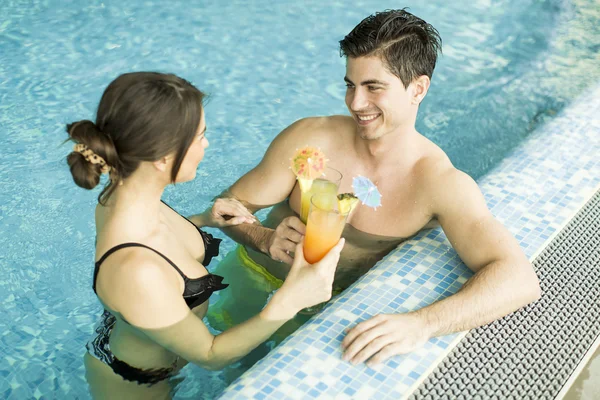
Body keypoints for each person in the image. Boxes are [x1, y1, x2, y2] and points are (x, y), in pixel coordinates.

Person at [206, 9, 541, 367]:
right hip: (251, 276)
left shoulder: (438, 183)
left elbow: (517, 279)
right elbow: (229, 204)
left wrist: (422, 324)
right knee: (229, 374)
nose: (355, 103)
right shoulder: (310, 139)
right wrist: (262, 237)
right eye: (350, 85)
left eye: (373, 87)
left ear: (418, 88)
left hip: (321, 311)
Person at [67, 72, 344, 399]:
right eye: (200, 136)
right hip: (135, 384)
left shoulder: (123, 197)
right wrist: (292, 299)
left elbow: (161, 249)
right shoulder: (135, 270)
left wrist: (205, 220)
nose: (206, 145)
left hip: (154, 345)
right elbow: (211, 355)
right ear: (162, 158)